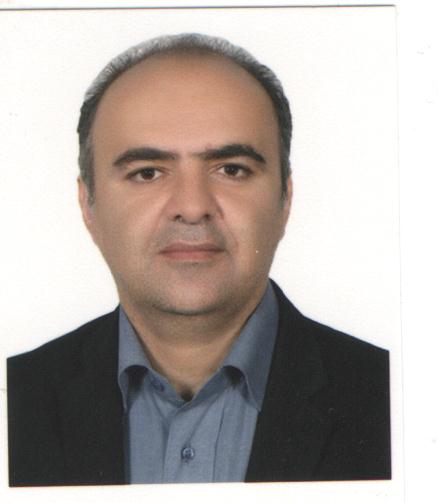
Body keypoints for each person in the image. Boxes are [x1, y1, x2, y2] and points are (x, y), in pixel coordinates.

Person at [7, 33, 391, 486]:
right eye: (147, 173)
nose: (192, 207)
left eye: (231, 169)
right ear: (88, 205)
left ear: (284, 199)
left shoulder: (398, 398)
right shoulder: (15, 400)